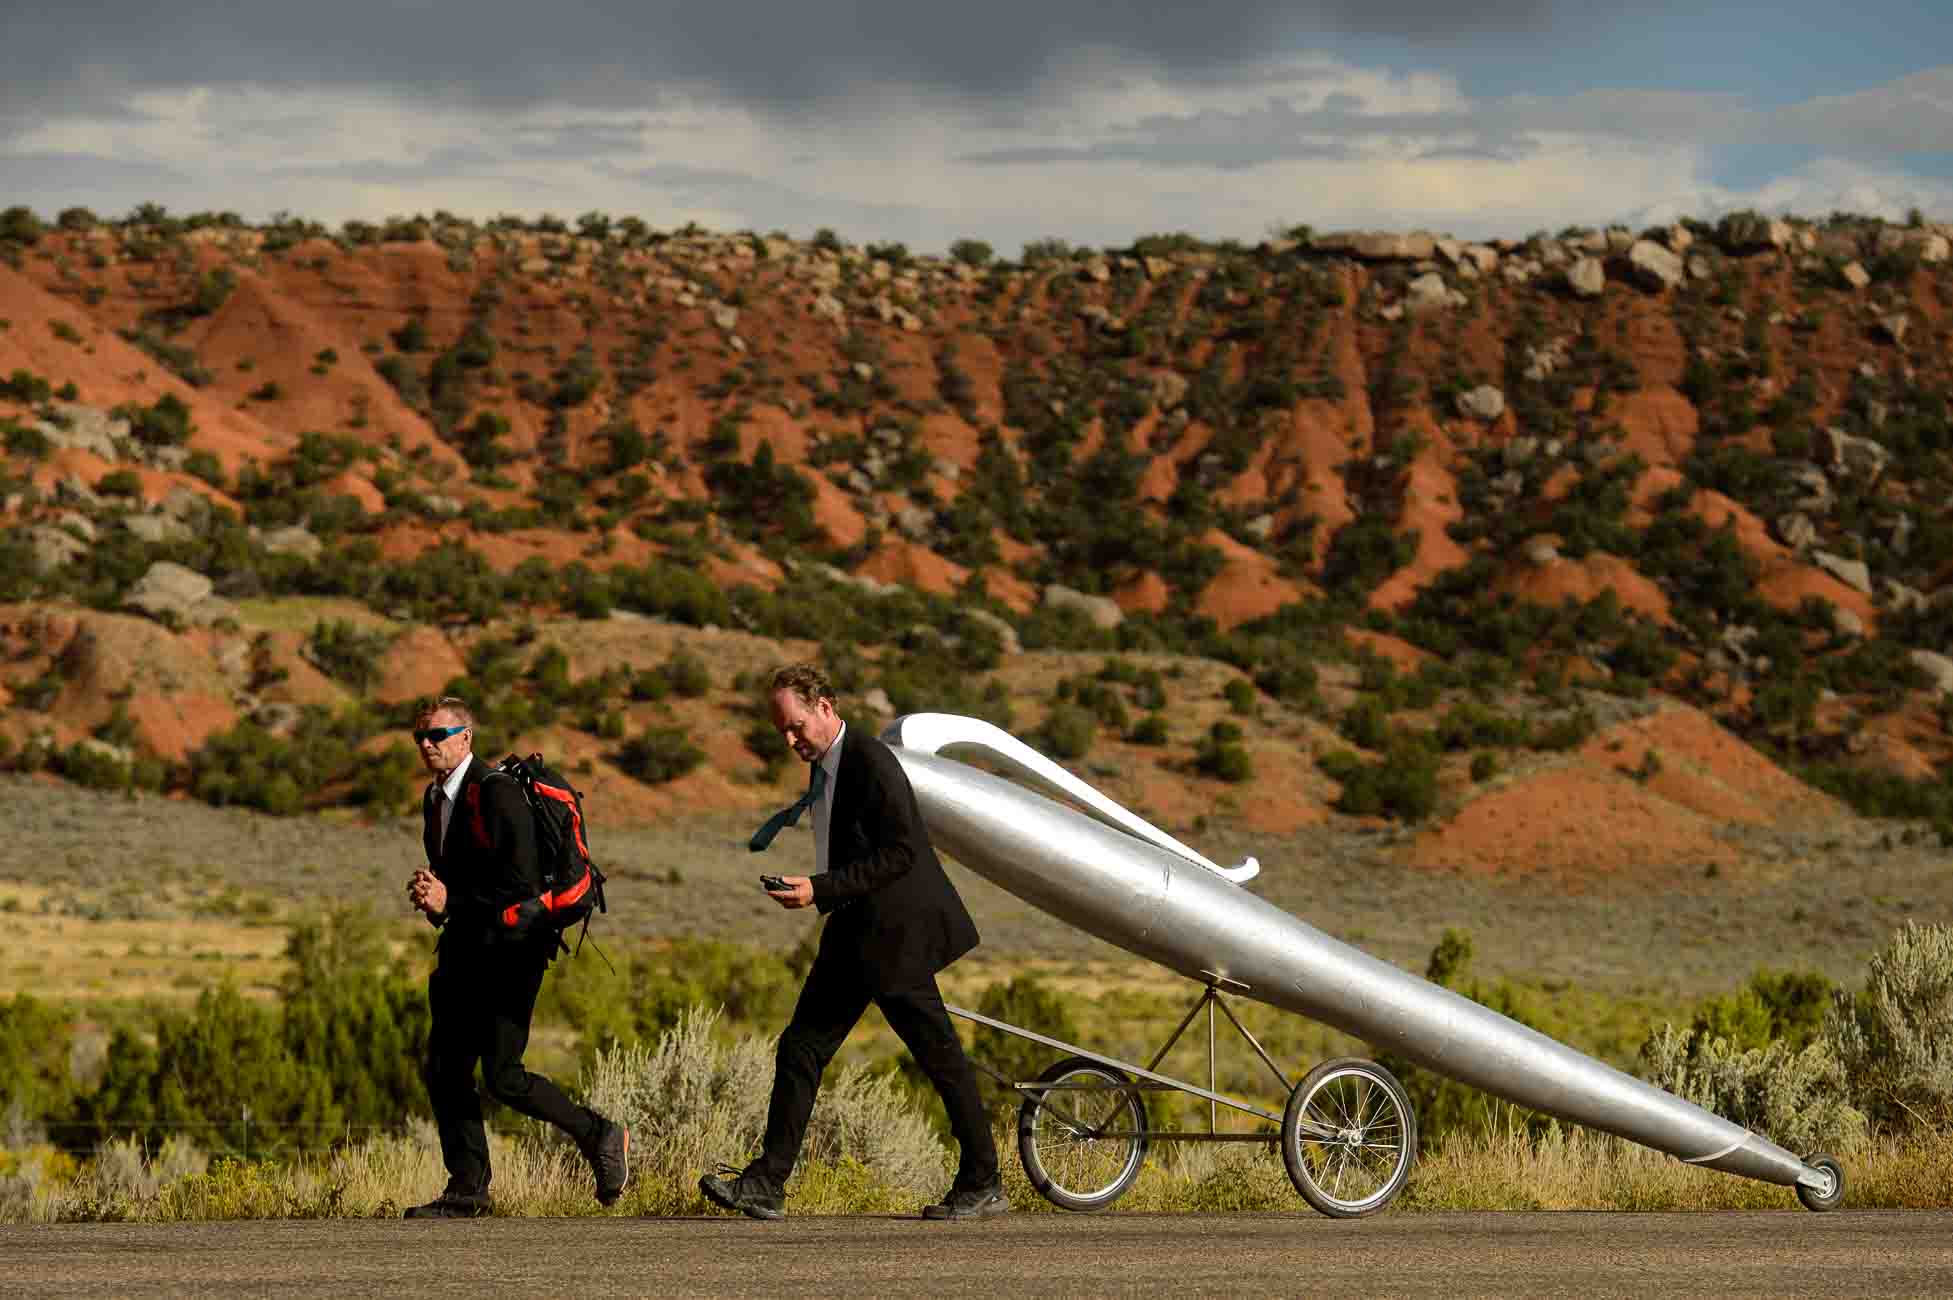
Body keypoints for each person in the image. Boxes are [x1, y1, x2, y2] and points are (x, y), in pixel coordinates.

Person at [699, 664, 1007, 1222]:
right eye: (782, 732)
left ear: (825, 706)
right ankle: (767, 1183)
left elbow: (901, 852)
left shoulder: (868, 761)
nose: (790, 740)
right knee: (805, 1048)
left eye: (796, 726)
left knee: (936, 1057)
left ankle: (983, 1179)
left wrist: (818, 889)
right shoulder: (831, 765)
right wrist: (824, 892)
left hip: (893, 937)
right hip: (857, 930)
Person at [404, 695, 629, 1218]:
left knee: (502, 1075)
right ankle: (467, 1190)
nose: (426, 745)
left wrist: (450, 900)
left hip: (513, 953)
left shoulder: (496, 794)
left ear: (466, 738)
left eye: (436, 735)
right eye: (419, 737)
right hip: (465, 948)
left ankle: (600, 1134)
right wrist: (435, 900)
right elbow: (464, 884)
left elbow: (520, 890)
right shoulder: (434, 800)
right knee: (445, 1068)